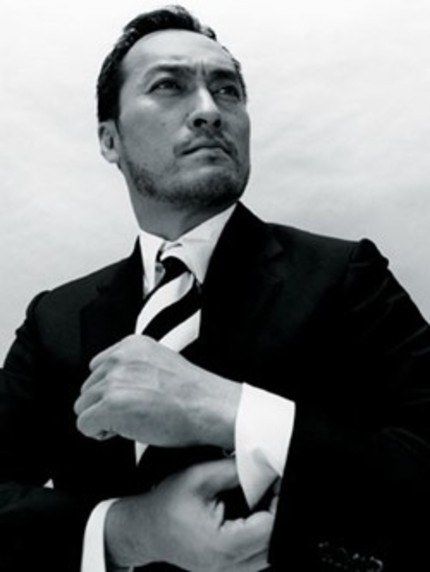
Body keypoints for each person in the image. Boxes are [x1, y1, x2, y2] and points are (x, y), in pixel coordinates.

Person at [1, 5, 430, 572]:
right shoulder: (55, 318)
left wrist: (232, 410)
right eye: (168, 86)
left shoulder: (346, 275)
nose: (208, 110)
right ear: (109, 140)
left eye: (227, 91)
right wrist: (129, 529)